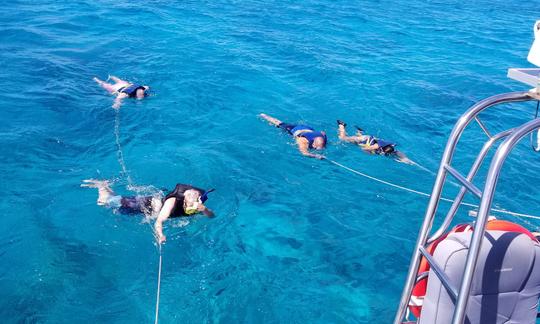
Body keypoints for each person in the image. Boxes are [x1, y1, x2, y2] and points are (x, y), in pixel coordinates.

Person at [81, 180, 214, 243]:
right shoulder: (172, 202)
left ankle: (106, 188)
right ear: (184, 201)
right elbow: (159, 221)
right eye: (189, 207)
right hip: (150, 206)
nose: (191, 210)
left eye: (194, 208)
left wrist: (205, 210)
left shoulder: (198, 205)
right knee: (107, 203)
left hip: (153, 207)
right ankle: (101, 186)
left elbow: (211, 216)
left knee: (118, 203)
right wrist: (160, 235)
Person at [337, 120, 414, 164]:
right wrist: (371, 152)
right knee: (343, 138)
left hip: (369, 139)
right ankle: (342, 125)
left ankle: (359, 131)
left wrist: (405, 159)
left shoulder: (391, 148)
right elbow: (364, 149)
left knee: (354, 141)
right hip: (364, 139)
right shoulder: (377, 146)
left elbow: (398, 152)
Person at [259, 113, 327, 159]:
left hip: (308, 128)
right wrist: (315, 156)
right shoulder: (303, 140)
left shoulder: (323, 137)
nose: (318, 149)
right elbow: (304, 153)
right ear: (314, 144)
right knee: (279, 124)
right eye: (317, 148)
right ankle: (264, 116)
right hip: (295, 129)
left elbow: (323, 132)